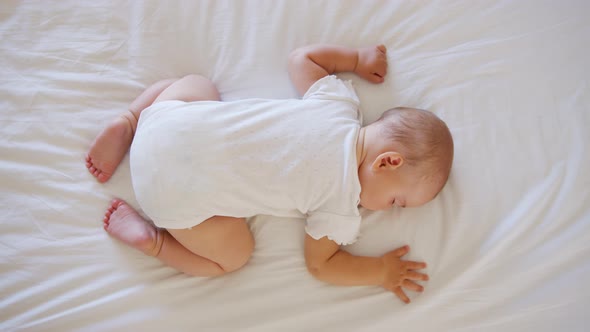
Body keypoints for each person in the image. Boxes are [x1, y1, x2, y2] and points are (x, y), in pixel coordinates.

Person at [86, 44, 454, 303]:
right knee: (231, 259)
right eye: (396, 201)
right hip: (167, 197)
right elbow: (321, 265)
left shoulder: (339, 105)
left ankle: (129, 120)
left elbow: (302, 58)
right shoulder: (340, 205)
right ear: (387, 162)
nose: (387, 210)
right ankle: (154, 242)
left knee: (199, 84)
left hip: (162, 126)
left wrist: (356, 58)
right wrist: (380, 272)